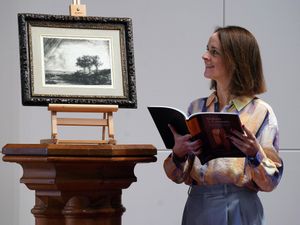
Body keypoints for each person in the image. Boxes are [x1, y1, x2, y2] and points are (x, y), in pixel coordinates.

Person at [163, 26, 283, 225]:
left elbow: (271, 182)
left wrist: (255, 154)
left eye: (214, 52)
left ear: (235, 61)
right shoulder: (196, 108)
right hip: (197, 206)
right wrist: (178, 154)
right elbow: (176, 176)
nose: (204, 56)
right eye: (207, 49)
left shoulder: (261, 112)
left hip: (241, 208)